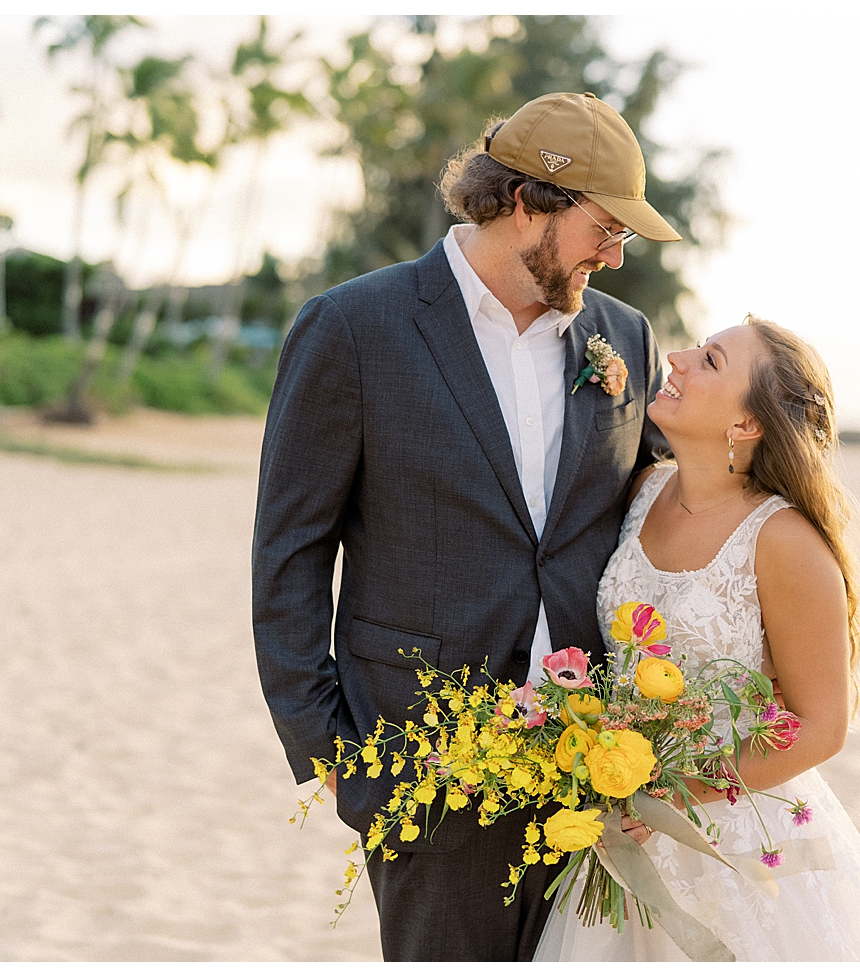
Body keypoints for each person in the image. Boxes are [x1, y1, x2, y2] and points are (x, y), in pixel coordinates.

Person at [251, 92, 678, 961]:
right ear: (526, 203)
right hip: (423, 769)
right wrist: (338, 756)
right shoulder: (353, 328)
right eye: (606, 226)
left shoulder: (623, 337)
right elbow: (288, 554)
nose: (615, 254)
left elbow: (672, 499)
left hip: (594, 765)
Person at [533, 316, 860, 961]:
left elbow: (822, 724)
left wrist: (671, 792)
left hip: (735, 836)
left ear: (746, 426)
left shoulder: (785, 543)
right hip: (622, 829)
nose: (680, 358)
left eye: (711, 361)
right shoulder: (641, 491)